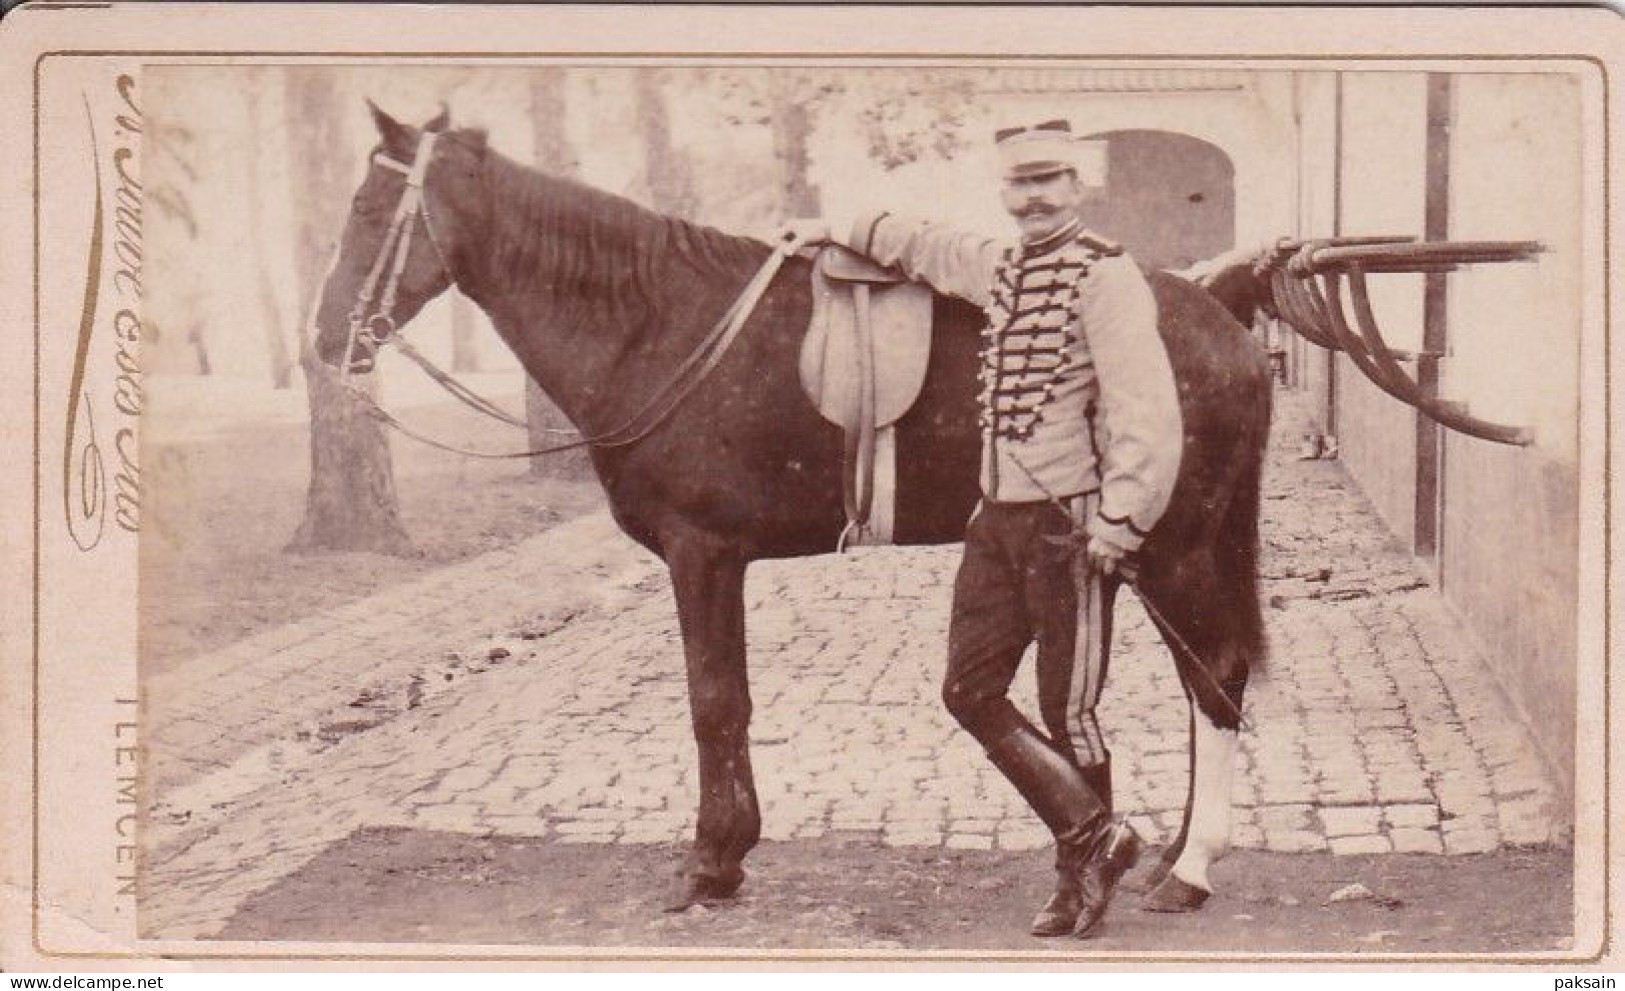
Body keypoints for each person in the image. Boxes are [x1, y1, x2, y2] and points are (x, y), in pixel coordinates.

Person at [781, 118, 1183, 938]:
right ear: (1004, 192)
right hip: (993, 521)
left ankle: (1081, 882)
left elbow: (1146, 408)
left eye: (1048, 180)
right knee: (967, 688)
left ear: (1077, 185)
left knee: (1068, 711)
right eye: (1018, 183)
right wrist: (833, 225)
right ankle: (1099, 836)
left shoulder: (1105, 277)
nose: (1032, 197)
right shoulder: (1000, 266)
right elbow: (919, 243)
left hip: (1068, 527)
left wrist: (1121, 518)